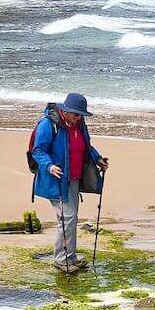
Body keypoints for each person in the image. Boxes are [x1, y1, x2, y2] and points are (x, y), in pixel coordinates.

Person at [29, 92, 107, 272]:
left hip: (74, 178)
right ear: (66, 111)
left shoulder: (78, 124)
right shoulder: (49, 124)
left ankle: (70, 256)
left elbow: (86, 146)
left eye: (81, 115)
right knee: (67, 218)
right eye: (76, 114)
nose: (79, 117)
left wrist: (97, 158)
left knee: (70, 219)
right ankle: (62, 259)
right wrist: (49, 166)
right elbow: (38, 150)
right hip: (56, 179)